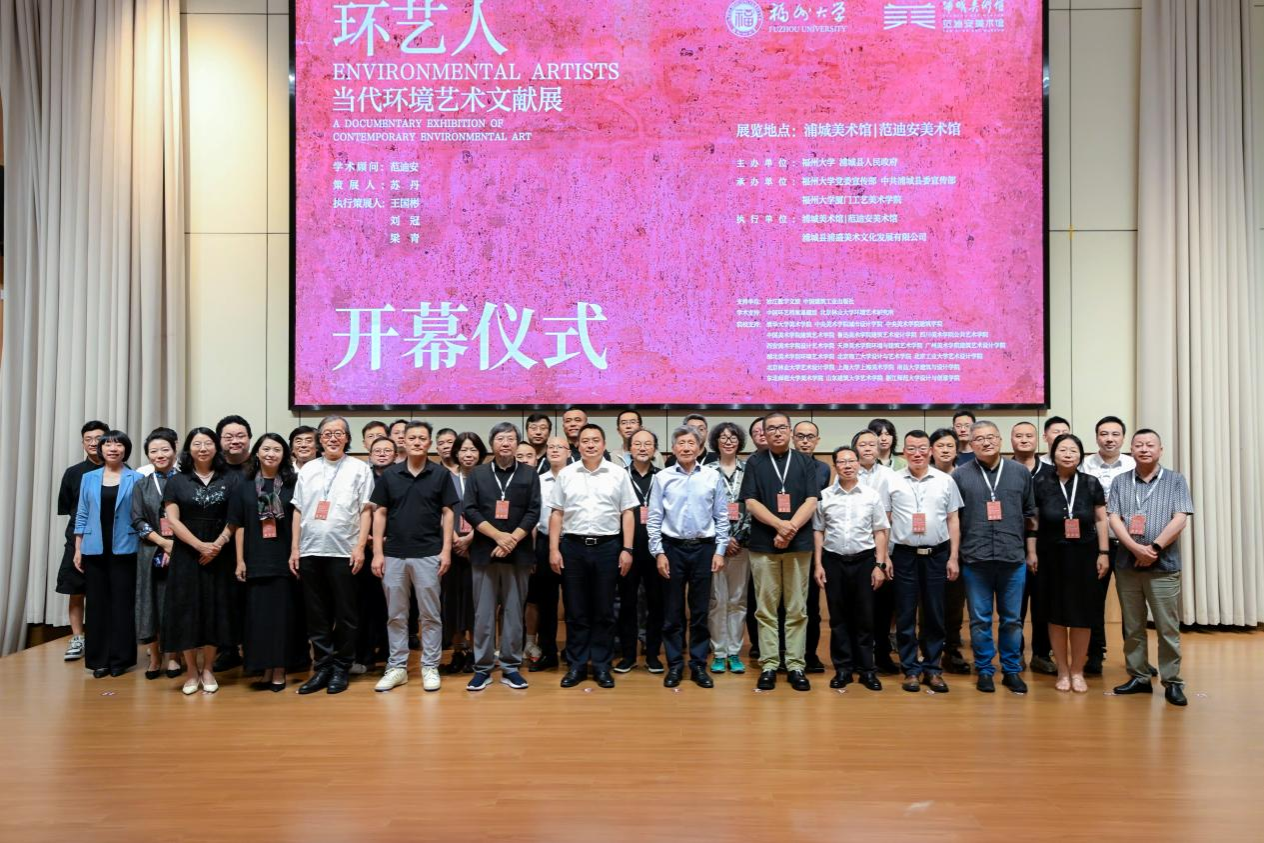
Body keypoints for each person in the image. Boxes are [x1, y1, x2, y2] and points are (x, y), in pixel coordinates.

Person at [370, 421, 458, 693]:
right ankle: (397, 667)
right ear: (404, 442)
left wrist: (446, 550)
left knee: (430, 615)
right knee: (396, 615)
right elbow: (380, 513)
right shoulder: (390, 475)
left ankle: (430, 666)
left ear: (429, 443)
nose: (417, 442)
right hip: (394, 555)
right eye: (412, 438)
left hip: (429, 554)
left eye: (422, 438)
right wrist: (377, 553)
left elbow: (448, 513)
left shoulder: (440, 475)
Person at [1107, 429, 1193, 706]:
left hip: (1163, 565)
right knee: (1133, 626)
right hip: (1127, 564)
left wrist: (1153, 548)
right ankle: (1139, 676)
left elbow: (1180, 518)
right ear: (1131, 449)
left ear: (1160, 450)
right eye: (1139, 445)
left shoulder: (1175, 480)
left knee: (1167, 627)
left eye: (1150, 445)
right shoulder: (1120, 481)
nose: (1144, 449)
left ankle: (1172, 681)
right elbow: (1113, 518)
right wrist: (1135, 548)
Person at [549, 423, 638, 689]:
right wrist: (553, 549)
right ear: (577, 445)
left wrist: (628, 549)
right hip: (573, 547)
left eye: (595, 440)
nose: (590, 444)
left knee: (604, 609)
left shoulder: (618, 473)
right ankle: (576, 665)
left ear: (603, 444)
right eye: (585, 440)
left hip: (608, 547)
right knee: (576, 609)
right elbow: (557, 513)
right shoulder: (567, 474)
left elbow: (628, 512)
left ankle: (601, 665)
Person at [291, 415, 374, 695]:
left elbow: (366, 510)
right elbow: (298, 510)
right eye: (327, 433)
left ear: (347, 438)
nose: (333, 438)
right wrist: (295, 548)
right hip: (310, 550)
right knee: (317, 614)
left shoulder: (359, 469)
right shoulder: (309, 469)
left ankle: (341, 667)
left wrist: (360, 547)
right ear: (320, 439)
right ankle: (323, 667)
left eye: (339, 433)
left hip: (344, 552)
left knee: (346, 614)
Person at [953, 421, 1038, 694]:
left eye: (991, 437)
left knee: (1012, 619)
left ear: (1000, 440)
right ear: (971, 444)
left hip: (1012, 558)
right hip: (975, 559)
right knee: (980, 620)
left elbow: (1030, 514)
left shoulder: (1019, 473)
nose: (986, 442)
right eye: (979, 439)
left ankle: (1011, 670)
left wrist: (1030, 551)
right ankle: (985, 670)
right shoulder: (960, 475)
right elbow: (954, 519)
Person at [740, 411, 820, 692]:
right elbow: (750, 502)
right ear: (764, 433)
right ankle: (770, 664)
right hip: (764, 545)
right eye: (771, 428)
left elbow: (812, 500)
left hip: (799, 544)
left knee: (797, 608)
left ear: (790, 431)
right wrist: (779, 526)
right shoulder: (755, 462)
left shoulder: (805, 461)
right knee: (766, 609)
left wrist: (790, 529)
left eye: (782, 427)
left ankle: (796, 664)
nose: (776, 432)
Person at [460, 422, 541, 691]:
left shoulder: (529, 474)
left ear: (517, 443)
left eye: (510, 439)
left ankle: (510, 667)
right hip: (485, 553)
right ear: (492, 443)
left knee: (514, 613)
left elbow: (533, 511)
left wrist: (511, 540)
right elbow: (470, 509)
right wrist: (498, 537)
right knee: (483, 614)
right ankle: (482, 668)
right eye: (500, 439)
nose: (505, 443)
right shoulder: (478, 473)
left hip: (518, 554)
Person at [648, 426, 730, 688]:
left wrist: (720, 551)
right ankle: (674, 665)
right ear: (673, 449)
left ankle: (698, 665)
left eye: (691, 443)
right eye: (681, 443)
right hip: (672, 548)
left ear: (699, 448)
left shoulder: (712, 476)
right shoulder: (662, 477)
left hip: (704, 549)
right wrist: (658, 552)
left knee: (700, 611)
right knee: (672, 612)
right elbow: (654, 518)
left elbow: (721, 516)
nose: (686, 447)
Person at [162, 428, 238, 695]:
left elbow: (235, 516)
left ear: (216, 447)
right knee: (187, 610)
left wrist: (217, 545)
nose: (203, 448)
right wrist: (199, 545)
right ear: (189, 449)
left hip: (220, 554)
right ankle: (191, 671)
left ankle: (208, 669)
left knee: (214, 610)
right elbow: (172, 520)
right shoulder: (177, 480)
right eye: (197, 444)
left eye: (208, 443)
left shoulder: (230, 479)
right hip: (186, 554)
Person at [229, 433, 306, 692]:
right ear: (257, 453)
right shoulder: (244, 485)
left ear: (285, 455)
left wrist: (296, 551)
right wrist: (240, 560)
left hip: (285, 558)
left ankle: (280, 668)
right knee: (258, 617)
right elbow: (238, 525)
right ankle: (264, 667)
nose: (271, 454)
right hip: (255, 558)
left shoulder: (294, 484)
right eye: (266, 449)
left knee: (282, 617)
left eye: (276, 449)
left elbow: (301, 520)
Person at [1033, 433, 1110, 693]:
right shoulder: (1040, 483)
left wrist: (1103, 552)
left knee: (1081, 616)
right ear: (1053, 453)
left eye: (1073, 450)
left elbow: (1101, 519)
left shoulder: (1090, 483)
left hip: (1084, 557)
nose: (1068, 454)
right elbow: (1034, 522)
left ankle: (1077, 670)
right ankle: (1062, 671)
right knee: (1055, 615)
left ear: (1081, 455)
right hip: (1050, 557)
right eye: (1063, 449)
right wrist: (1031, 552)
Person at [887, 431, 962, 693]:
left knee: (934, 613)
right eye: (911, 448)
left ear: (930, 451)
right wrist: (884, 557)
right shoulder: (892, 480)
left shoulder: (945, 480)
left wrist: (953, 556)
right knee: (905, 613)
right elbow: (884, 520)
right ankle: (910, 669)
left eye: (922, 448)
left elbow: (953, 520)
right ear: (903, 452)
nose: (917, 453)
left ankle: (932, 668)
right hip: (904, 555)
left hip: (937, 555)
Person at [813, 446, 889, 692]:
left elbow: (880, 531)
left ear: (858, 463)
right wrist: (818, 564)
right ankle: (843, 668)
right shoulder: (825, 496)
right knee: (838, 618)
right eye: (842, 462)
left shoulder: (871, 495)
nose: (847, 465)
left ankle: (867, 670)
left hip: (864, 561)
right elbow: (818, 531)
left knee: (865, 617)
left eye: (851, 461)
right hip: (833, 561)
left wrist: (879, 565)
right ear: (835, 466)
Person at [73, 431, 140, 678]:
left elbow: (141, 513)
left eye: (118, 444)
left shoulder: (136, 478)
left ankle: (121, 659)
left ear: (126, 450)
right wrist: (78, 548)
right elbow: (82, 513)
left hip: (126, 547)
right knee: (97, 605)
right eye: (108, 444)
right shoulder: (88, 478)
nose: (113, 448)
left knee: (123, 605)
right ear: (100, 450)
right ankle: (98, 660)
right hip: (94, 548)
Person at [1080, 415, 1135, 674]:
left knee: (1132, 603)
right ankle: (1094, 654)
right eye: (1104, 434)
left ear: (1123, 438)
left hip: (1129, 544)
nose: (1109, 439)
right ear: (1096, 437)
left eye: (1115, 434)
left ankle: (1136, 657)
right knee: (1093, 600)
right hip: (1095, 544)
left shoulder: (1134, 464)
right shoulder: (1084, 465)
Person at [56, 420, 109, 662]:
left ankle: (104, 637)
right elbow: (68, 507)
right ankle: (78, 637)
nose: (93, 443)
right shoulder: (73, 473)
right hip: (77, 539)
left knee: (106, 591)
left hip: (109, 540)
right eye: (88, 439)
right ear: (83, 443)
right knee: (76, 590)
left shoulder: (121, 470)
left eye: (98, 438)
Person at [132, 428, 181, 680]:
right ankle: (154, 656)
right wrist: (163, 542)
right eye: (153, 451)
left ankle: (173, 655)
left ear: (174, 450)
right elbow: (137, 520)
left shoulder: (185, 480)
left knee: (174, 602)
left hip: (182, 549)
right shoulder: (142, 484)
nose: (159, 455)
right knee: (149, 602)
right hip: (150, 551)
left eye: (164, 449)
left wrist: (176, 545)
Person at [615, 429, 665, 673]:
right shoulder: (619, 476)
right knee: (627, 604)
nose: (643, 448)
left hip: (657, 550)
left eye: (648, 444)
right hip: (627, 550)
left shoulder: (663, 477)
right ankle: (628, 656)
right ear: (629, 448)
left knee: (657, 604)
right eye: (637, 444)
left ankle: (653, 655)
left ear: (654, 449)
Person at [1011, 421, 1055, 675]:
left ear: (1038, 439)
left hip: (1046, 548)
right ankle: (1015, 653)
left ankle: (1041, 654)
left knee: (1043, 604)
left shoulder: (1051, 471)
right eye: (1019, 435)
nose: (1024, 439)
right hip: (1013, 547)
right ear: (1011, 440)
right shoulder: (1004, 470)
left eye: (1029, 435)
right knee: (1014, 606)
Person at [708, 422, 751, 675]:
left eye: (733, 437)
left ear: (739, 442)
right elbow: (702, 509)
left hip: (742, 546)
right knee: (716, 600)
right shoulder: (707, 471)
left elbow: (753, 506)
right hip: (715, 547)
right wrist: (722, 539)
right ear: (716, 441)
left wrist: (738, 538)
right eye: (723, 437)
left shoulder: (749, 470)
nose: (728, 441)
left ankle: (734, 651)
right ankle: (718, 652)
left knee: (738, 600)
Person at [853, 429, 897, 675]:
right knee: (858, 605)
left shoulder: (891, 475)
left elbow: (892, 516)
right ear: (855, 449)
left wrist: (886, 555)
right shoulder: (847, 473)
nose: (868, 448)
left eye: (872, 444)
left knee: (884, 606)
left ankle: (882, 654)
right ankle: (859, 656)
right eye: (863, 444)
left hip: (885, 548)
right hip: (856, 548)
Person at [441, 431, 484, 673]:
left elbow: (491, 513)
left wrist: (470, 539)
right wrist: (455, 539)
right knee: (453, 603)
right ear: (456, 453)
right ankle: (458, 651)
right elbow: (439, 510)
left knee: (477, 603)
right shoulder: (445, 477)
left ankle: (477, 653)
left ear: (480, 453)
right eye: (463, 450)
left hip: (479, 546)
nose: (468, 454)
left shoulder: (487, 477)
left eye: (473, 450)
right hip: (451, 547)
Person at [525, 437, 570, 672]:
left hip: (571, 542)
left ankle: (574, 650)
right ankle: (548, 652)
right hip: (543, 543)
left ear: (569, 452)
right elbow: (533, 518)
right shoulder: (538, 480)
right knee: (546, 602)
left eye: (559, 447)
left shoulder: (576, 476)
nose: (554, 450)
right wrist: (532, 552)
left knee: (574, 600)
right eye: (550, 447)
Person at [352, 437, 396, 674]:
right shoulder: (362, 476)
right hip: (364, 549)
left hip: (394, 548)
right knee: (365, 604)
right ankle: (364, 656)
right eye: (377, 450)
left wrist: (384, 539)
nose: (382, 454)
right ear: (369, 453)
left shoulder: (399, 477)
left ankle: (391, 656)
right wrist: (365, 539)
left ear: (395, 454)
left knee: (391, 604)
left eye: (387, 450)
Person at [929, 427, 970, 674]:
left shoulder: (965, 475)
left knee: (955, 603)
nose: (945, 450)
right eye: (940, 446)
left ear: (957, 450)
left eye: (950, 446)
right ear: (931, 450)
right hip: (930, 548)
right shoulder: (924, 475)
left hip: (961, 549)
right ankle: (928, 651)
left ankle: (951, 649)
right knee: (929, 603)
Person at [214, 414, 252, 672]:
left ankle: (253, 648)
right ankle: (227, 650)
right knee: (223, 599)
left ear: (249, 438)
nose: (235, 441)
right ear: (220, 440)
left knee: (252, 599)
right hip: (219, 545)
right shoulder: (213, 467)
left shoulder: (259, 466)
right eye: (228, 436)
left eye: (240, 436)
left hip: (255, 543)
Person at [793, 420, 830, 673]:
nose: (805, 441)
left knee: (811, 603)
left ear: (817, 440)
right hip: (784, 538)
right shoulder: (783, 465)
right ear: (793, 438)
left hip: (812, 540)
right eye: (801, 436)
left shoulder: (823, 469)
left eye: (810, 437)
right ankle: (786, 652)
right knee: (785, 602)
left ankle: (809, 654)